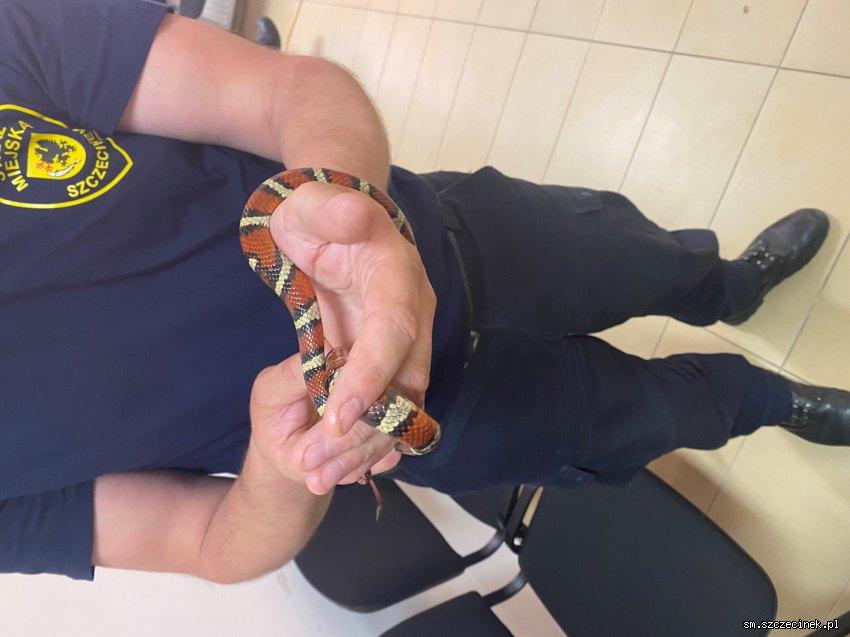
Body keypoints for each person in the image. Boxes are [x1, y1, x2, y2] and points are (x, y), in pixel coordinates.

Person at [1, 0, 847, 584]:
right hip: (456, 426)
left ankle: (733, 287)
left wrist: (346, 205)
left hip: (462, 228)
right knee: (653, 416)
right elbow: (216, 546)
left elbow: (288, 88)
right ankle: (767, 402)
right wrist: (286, 466)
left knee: (651, 259)